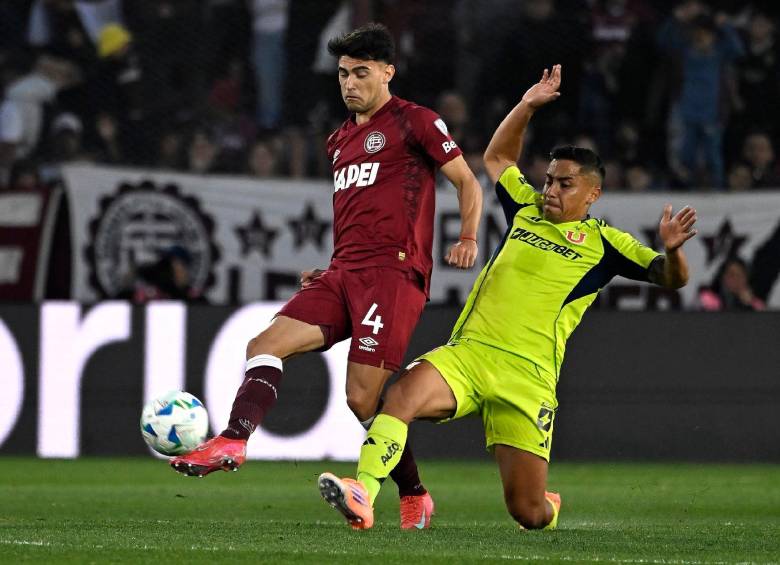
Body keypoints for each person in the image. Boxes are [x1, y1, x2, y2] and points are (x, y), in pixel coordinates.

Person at [317, 65, 697, 531]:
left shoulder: (606, 245)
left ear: (593, 193)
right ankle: (364, 492)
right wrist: (528, 105)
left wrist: (674, 251)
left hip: (529, 377)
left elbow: (669, 278)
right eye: (550, 179)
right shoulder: (526, 208)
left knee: (528, 513)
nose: (550, 190)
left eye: (565, 184)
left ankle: (548, 505)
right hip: (470, 355)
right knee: (398, 398)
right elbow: (497, 159)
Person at [171, 23, 483, 530]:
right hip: (343, 273)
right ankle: (232, 439)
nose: (350, 83)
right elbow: (359, 211)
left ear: (387, 72)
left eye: (361, 72)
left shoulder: (415, 121)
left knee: (361, 399)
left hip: (392, 276)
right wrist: (333, 265)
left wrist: (467, 237)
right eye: (343, 74)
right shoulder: (339, 139)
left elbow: (468, 182)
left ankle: (413, 494)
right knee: (264, 344)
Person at [698, 256, 765, 311]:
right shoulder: (709, 298)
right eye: (731, 274)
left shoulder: (754, 303)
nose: (736, 279)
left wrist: (748, 304)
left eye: (740, 275)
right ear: (723, 277)